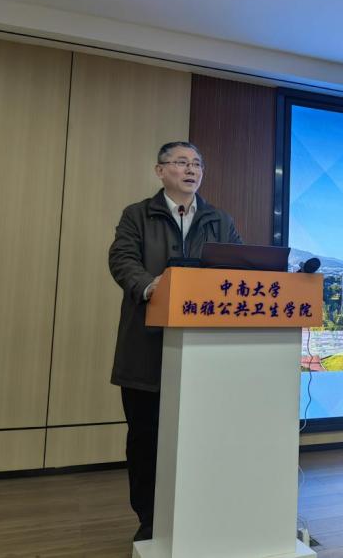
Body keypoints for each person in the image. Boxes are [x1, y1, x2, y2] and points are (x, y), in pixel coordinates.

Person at [108, 141, 242, 542]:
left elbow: (238, 269)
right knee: (146, 437)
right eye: (181, 162)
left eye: (197, 163)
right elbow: (122, 260)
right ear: (160, 170)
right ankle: (150, 520)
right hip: (147, 345)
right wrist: (151, 287)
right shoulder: (137, 215)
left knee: (201, 437)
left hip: (204, 349)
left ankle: (200, 512)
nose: (191, 170)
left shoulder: (219, 220)